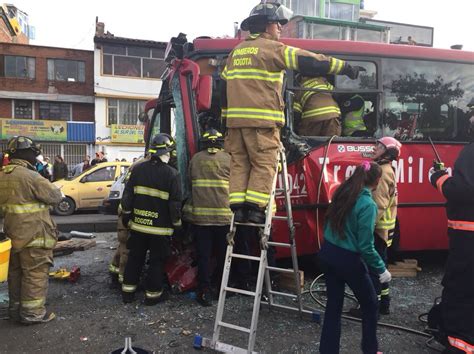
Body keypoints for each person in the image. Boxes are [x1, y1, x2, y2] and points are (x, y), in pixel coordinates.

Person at [222, 2, 364, 224]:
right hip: (262, 121)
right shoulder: (272, 49)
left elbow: (224, 83)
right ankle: (257, 209)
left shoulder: (235, 53)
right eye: (278, 24)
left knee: (240, 164)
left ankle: (239, 208)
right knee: (264, 163)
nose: (280, 28)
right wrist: (345, 68)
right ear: (268, 25)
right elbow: (310, 61)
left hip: (235, 124)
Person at [318, 161, 391, 354]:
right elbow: (366, 246)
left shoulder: (343, 193)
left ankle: (327, 350)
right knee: (370, 304)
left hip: (328, 252)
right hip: (348, 260)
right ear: (376, 181)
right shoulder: (368, 205)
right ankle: (370, 349)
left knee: (334, 306)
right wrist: (381, 269)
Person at [0, 136, 62, 324]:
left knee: (16, 275)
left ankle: (15, 311)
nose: (37, 158)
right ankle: (32, 314)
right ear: (26, 154)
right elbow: (55, 196)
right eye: (34, 154)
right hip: (34, 236)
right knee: (34, 275)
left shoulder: (3, 175)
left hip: (13, 236)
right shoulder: (30, 176)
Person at [428, 116, 474, 353]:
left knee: (460, 293)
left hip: (469, 242)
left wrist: (438, 178)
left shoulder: (471, 151)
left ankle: (460, 346)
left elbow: (463, 190)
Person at [120, 134, 182, 305]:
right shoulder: (173, 174)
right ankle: (153, 296)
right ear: (169, 152)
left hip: (138, 226)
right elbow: (175, 205)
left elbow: (127, 196)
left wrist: (126, 215)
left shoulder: (138, 169)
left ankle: (127, 293)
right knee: (156, 261)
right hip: (160, 230)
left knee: (135, 258)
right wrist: (178, 226)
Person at [184, 129, 231, 306]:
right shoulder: (228, 159)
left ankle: (204, 291)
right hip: (224, 219)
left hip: (201, 220)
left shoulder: (195, 159)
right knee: (222, 256)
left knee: (203, 256)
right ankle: (221, 289)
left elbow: (189, 182)